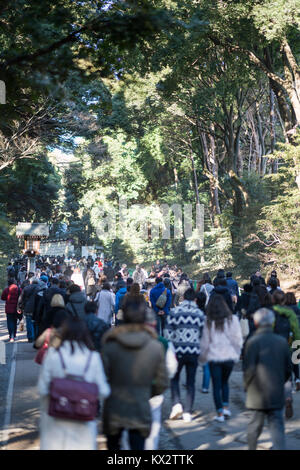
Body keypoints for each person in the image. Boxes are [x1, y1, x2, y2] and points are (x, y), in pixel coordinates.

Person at [101, 301, 168, 451]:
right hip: (140, 405)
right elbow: (162, 382)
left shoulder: (110, 344)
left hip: (114, 406)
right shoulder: (155, 347)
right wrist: (146, 392)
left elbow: (102, 376)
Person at [37, 318, 110, 450]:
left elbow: (42, 389)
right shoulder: (93, 358)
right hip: (83, 420)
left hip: (55, 420)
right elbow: (104, 391)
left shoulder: (53, 355)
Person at [243, 308, 292, 450]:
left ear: (256, 322)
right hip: (276, 390)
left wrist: (247, 385)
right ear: (272, 323)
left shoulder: (252, 342)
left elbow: (249, 369)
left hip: (256, 392)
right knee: (277, 427)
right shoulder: (282, 342)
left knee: (254, 426)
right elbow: (288, 368)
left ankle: (252, 448)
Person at [199, 294, 243, 422]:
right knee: (225, 383)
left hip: (214, 357)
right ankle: (226, 407)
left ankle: (219, 413)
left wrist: (202, 358)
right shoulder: (233, 319)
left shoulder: (208, 321)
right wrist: (237, 353)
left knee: (216, 385)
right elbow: (238, 340)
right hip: (229, 357)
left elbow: (205, 343)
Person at [165, 288, 205, 422]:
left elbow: (168, 334)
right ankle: (187, 412)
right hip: (193, 351)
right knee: (191, 382)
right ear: (195, 299)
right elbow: (203, 335)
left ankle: (176, 404)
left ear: (183, 298)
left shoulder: (175, 312)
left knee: (174, 378)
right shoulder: (200, 314)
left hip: (177, 351)